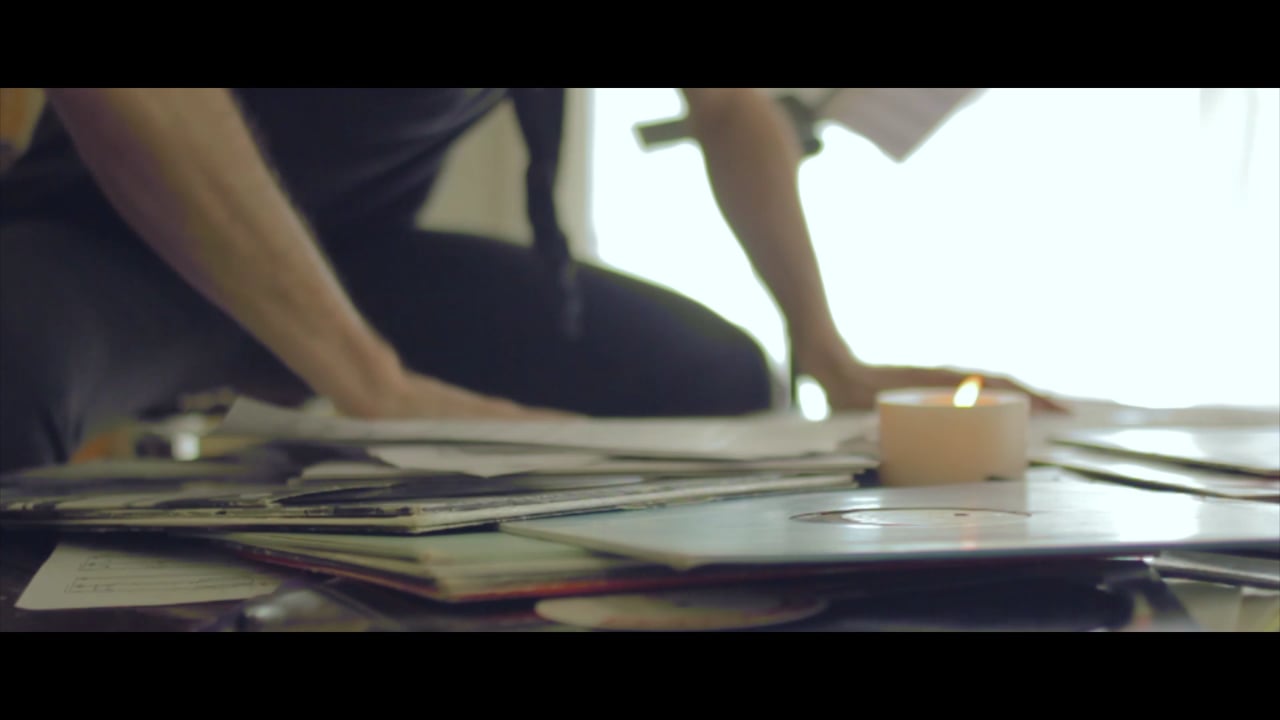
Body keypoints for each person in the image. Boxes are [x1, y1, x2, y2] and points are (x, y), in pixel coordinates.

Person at [0, 87, 1061, 473]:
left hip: (358, 259)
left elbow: (730, 107)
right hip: (118, 239)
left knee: (712, 377)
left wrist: (826, 353)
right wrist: (370, 382)